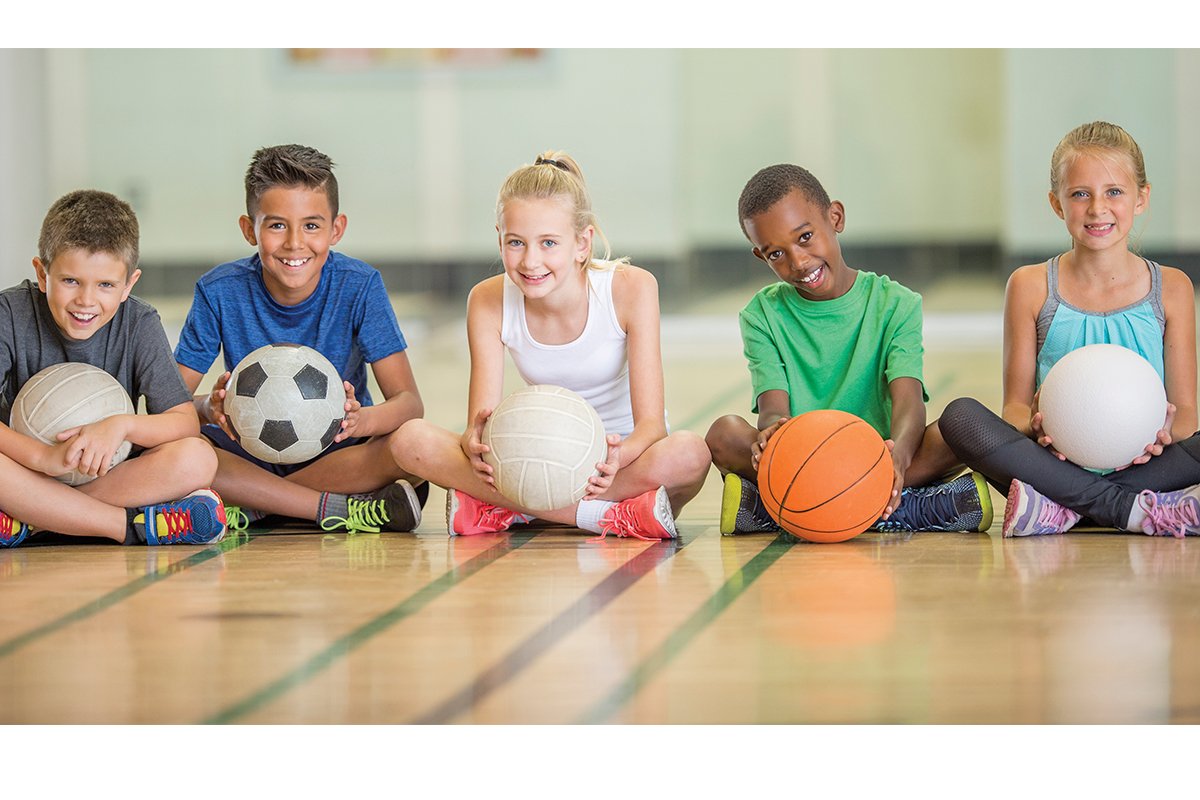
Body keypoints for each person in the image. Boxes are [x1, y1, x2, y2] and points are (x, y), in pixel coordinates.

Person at [393, 151, 711, 539]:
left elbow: (650, 427)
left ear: (582, 243)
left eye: (548, 243)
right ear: (499, 239)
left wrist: (616, 459)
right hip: (534, 455)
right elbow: (481, 420)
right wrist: (473, 441)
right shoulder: (487, 300)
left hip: (620, 463)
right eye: (516, 242)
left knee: (690, 455)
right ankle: (608, 517)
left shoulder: (632, 288)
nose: (530, 261)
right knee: (410, 440)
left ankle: (514, 510)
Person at [939, 120, 1200, 538]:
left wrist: (1164, 432)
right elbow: (1015, 412)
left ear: (1141, 198)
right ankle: (1129, 509)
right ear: (1057, 203)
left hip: (1144, 464)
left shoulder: (1172, 288)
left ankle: (1064, 509)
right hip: (1054, 463)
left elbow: (1187, 414)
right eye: (1080, 194)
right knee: (961, 417)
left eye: (1114, 191)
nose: (1098, 208)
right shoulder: (1030, 286)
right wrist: (1039, 427)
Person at [706, 163, 991, 535]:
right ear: (761, 256)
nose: (798, 262)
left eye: (805, 237)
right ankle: (902, 508)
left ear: (835, 217)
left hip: (879, 456)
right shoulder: (761, 315)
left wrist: (898, 459)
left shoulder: (896, 303)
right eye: (776, 254)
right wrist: (771, 434)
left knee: (960, 428)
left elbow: (908, 401)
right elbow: (774, 408)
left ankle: (785, 509)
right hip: (803, 458)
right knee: (723, 434)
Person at [175, 144, 426, 534]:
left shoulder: (359, 286)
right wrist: (210, 407)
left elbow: (409, 404)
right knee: (181, 452)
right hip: (245, 454)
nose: (294, 243)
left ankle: (257, 505)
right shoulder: (219, 291)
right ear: (249, 229)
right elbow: (168, 408)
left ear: (336, 229)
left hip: (336, 454)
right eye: (276, 225)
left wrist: (360, 422)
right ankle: (334, 508)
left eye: (311, 225)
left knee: (411, 444)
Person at [0, 189, 226, 548]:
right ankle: (127, 526)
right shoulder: (10, 313)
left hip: (104, 475)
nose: (86, 301)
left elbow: (182, 420)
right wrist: (42, 457)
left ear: (128, 285)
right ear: (43, 275)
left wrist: (120, 427)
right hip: (25, 470)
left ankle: (32, 520)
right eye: (70, 281)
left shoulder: (139, 322)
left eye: (105, 285)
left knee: (196, 458)